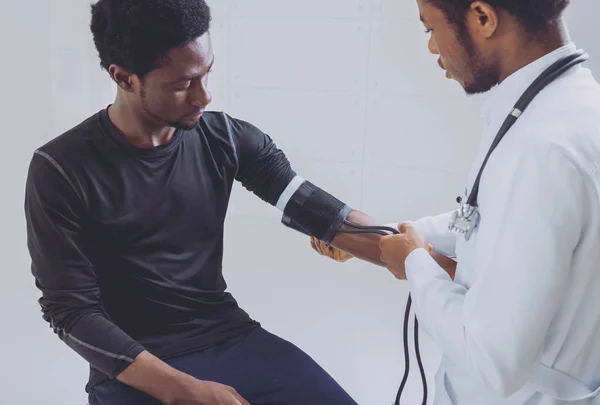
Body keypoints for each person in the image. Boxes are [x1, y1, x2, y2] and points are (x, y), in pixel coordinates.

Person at [23, 1, 424, 404]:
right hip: (133, 369)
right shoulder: (60, 168)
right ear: (125, 78)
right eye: (183, 84)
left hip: (229, 336)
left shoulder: (228, 139)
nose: (205, 96)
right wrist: (185, 391)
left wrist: (439, 265)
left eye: (206, 73)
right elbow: (70, 312)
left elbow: (326, 217)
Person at [313, 0, 600, 404]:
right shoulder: (570, 106)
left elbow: (493, 359)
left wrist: (415, 264)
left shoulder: (543, 150)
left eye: (430, 29)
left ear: (482, 18)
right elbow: (498, 219)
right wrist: (408, 234)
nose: (432, 48)